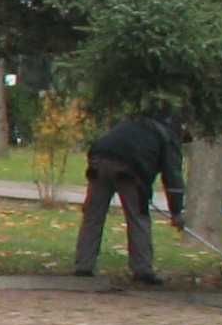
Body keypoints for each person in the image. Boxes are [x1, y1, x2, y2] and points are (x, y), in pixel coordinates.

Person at [75, 108, 187, 286]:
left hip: (98, 159)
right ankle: (142, 270)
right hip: (131, 168)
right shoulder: (168, 137)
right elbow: (173, 177)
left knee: (93, 216)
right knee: (138, 217)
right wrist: (177, 211)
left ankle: (83, 266)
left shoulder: (133, 123)